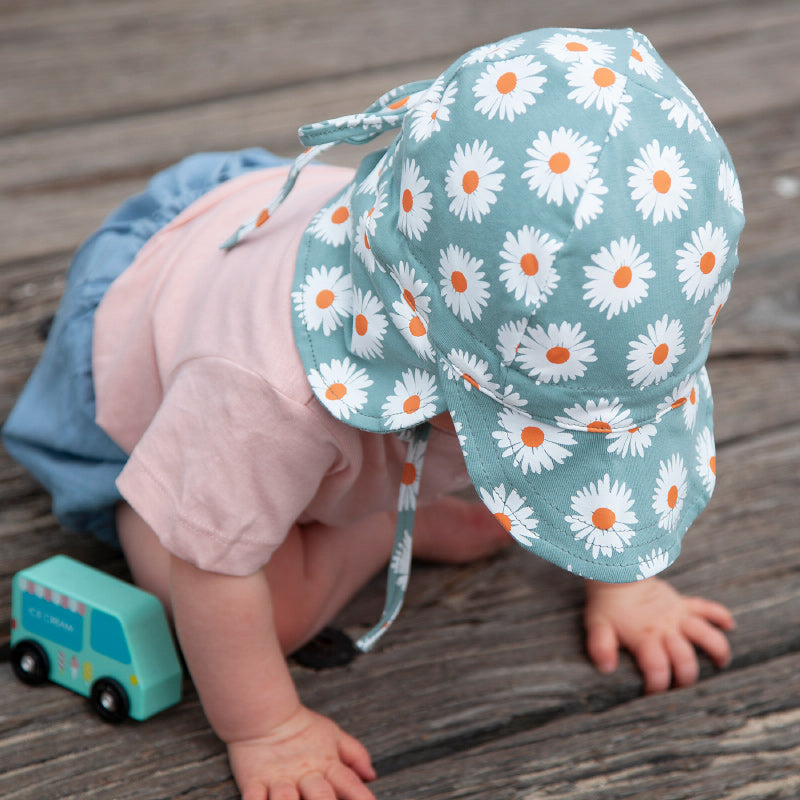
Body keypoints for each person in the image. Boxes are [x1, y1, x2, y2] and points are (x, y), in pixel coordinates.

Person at [3, 27, 744, 800]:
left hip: (276, 272)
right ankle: (385, 519)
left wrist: (625, 578)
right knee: (267, 609)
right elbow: (208, 567)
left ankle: (388, 508)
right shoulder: (264, 393)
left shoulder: (525, 289)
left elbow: (622, 424)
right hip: (140, 386)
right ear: (427, 362)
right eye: (548, 428)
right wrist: (268, 729)